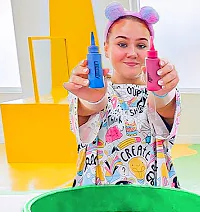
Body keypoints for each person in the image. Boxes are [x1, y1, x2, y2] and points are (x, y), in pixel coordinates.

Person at [63, 2, 181, 187]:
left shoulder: (160, 90)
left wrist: (161, 94)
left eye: (141, 45)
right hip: (99, 192)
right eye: (122, 44)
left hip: (152, 191)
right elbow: (88, 111)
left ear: (151, 50)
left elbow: (162, 108)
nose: (132, 53)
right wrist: (92, 99)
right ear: (106, 48)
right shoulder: (89, 89)